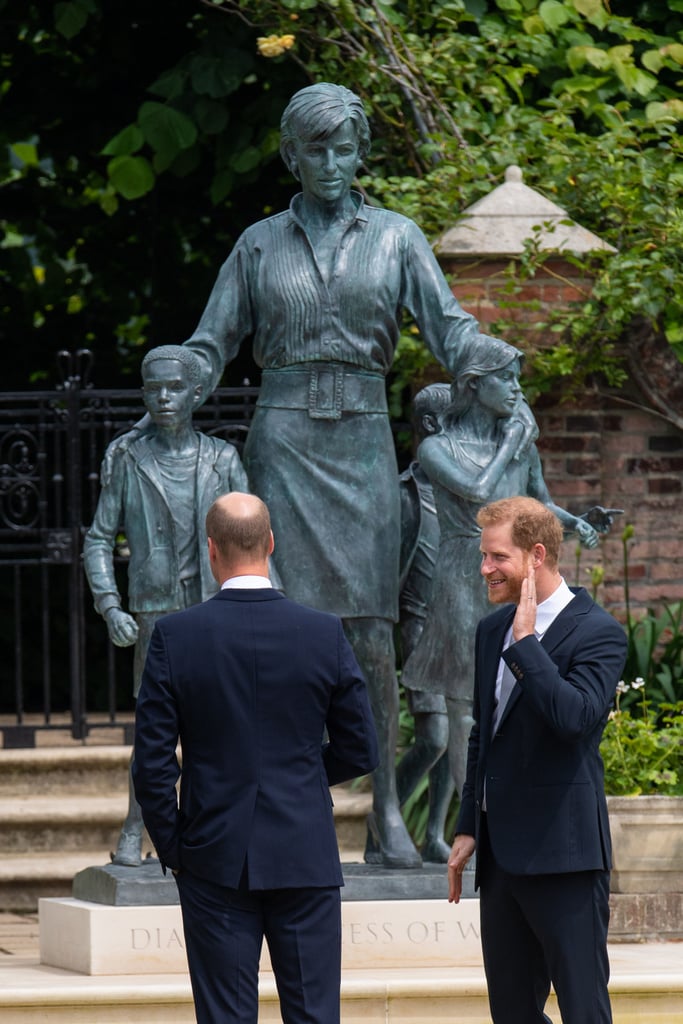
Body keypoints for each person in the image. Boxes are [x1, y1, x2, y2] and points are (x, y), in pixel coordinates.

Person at [122, 82, 535, 869]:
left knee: (373, 634)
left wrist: (497, 370)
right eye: (316, 148)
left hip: (363, 445)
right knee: (274, 631)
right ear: (290, 154)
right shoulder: (257, 244)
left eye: (346, 147)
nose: (333, 162)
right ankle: (283, 802)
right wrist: (173, 396)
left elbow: (448, 327)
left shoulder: (396, 237)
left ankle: (381, 807)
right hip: (282, 441)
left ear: (361, 155)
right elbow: (211, 344)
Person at [132, 492, 379, 1024]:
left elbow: (152, 764)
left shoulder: (175, 637)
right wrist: (305, 779)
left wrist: (176, 848)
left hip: (211, 853)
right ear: (271, 544)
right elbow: (361, 747)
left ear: (211, 550)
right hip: (303, 850)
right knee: (314, 1015)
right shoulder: (323, 632)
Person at [447, 496, 627, 1024]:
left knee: (584, 1009)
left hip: (565, 857)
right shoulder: (489, 631)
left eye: (497, 557)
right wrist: (467, 826)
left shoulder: (599, 632)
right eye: (484, 555)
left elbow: (574, 721)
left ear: (536, 555)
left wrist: (527, 644)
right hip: (501, 862)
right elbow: (485, 733)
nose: (485, 568)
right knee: (512, 1014)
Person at [401, 337, 604, 800]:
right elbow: (478, 491)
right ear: (474, 384)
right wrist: (511, 441)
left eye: (517, 378)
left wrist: (576, 524)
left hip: (519, 582)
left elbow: (541, 504)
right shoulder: (438, 446)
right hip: (463, 575)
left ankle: (513, 805)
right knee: (466, 706)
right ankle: (476, 813)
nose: (516, 389)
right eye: (506, 378)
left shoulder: (520, 445)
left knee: (521, 691)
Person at [83, 345, 249, 866]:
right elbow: (98, 538)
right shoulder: (127, 458)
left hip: (215, 608)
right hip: (156, 612)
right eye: (152, 388)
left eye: (174, 387)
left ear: (196, 393)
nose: (163, 397)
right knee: (155, 733)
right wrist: (110, 605)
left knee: (220, 726)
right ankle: (136, 828)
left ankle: (208, 833)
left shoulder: (223, 459)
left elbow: (254, 536)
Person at [366, 382, 454, 864]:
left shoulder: (465, 495)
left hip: (460, 629)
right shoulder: (404, 496)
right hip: (421, 633)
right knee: (435, 739)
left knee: (456, 739)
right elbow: (387, 570)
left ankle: (436, 832)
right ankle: (385, 812)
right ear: (432, 426)